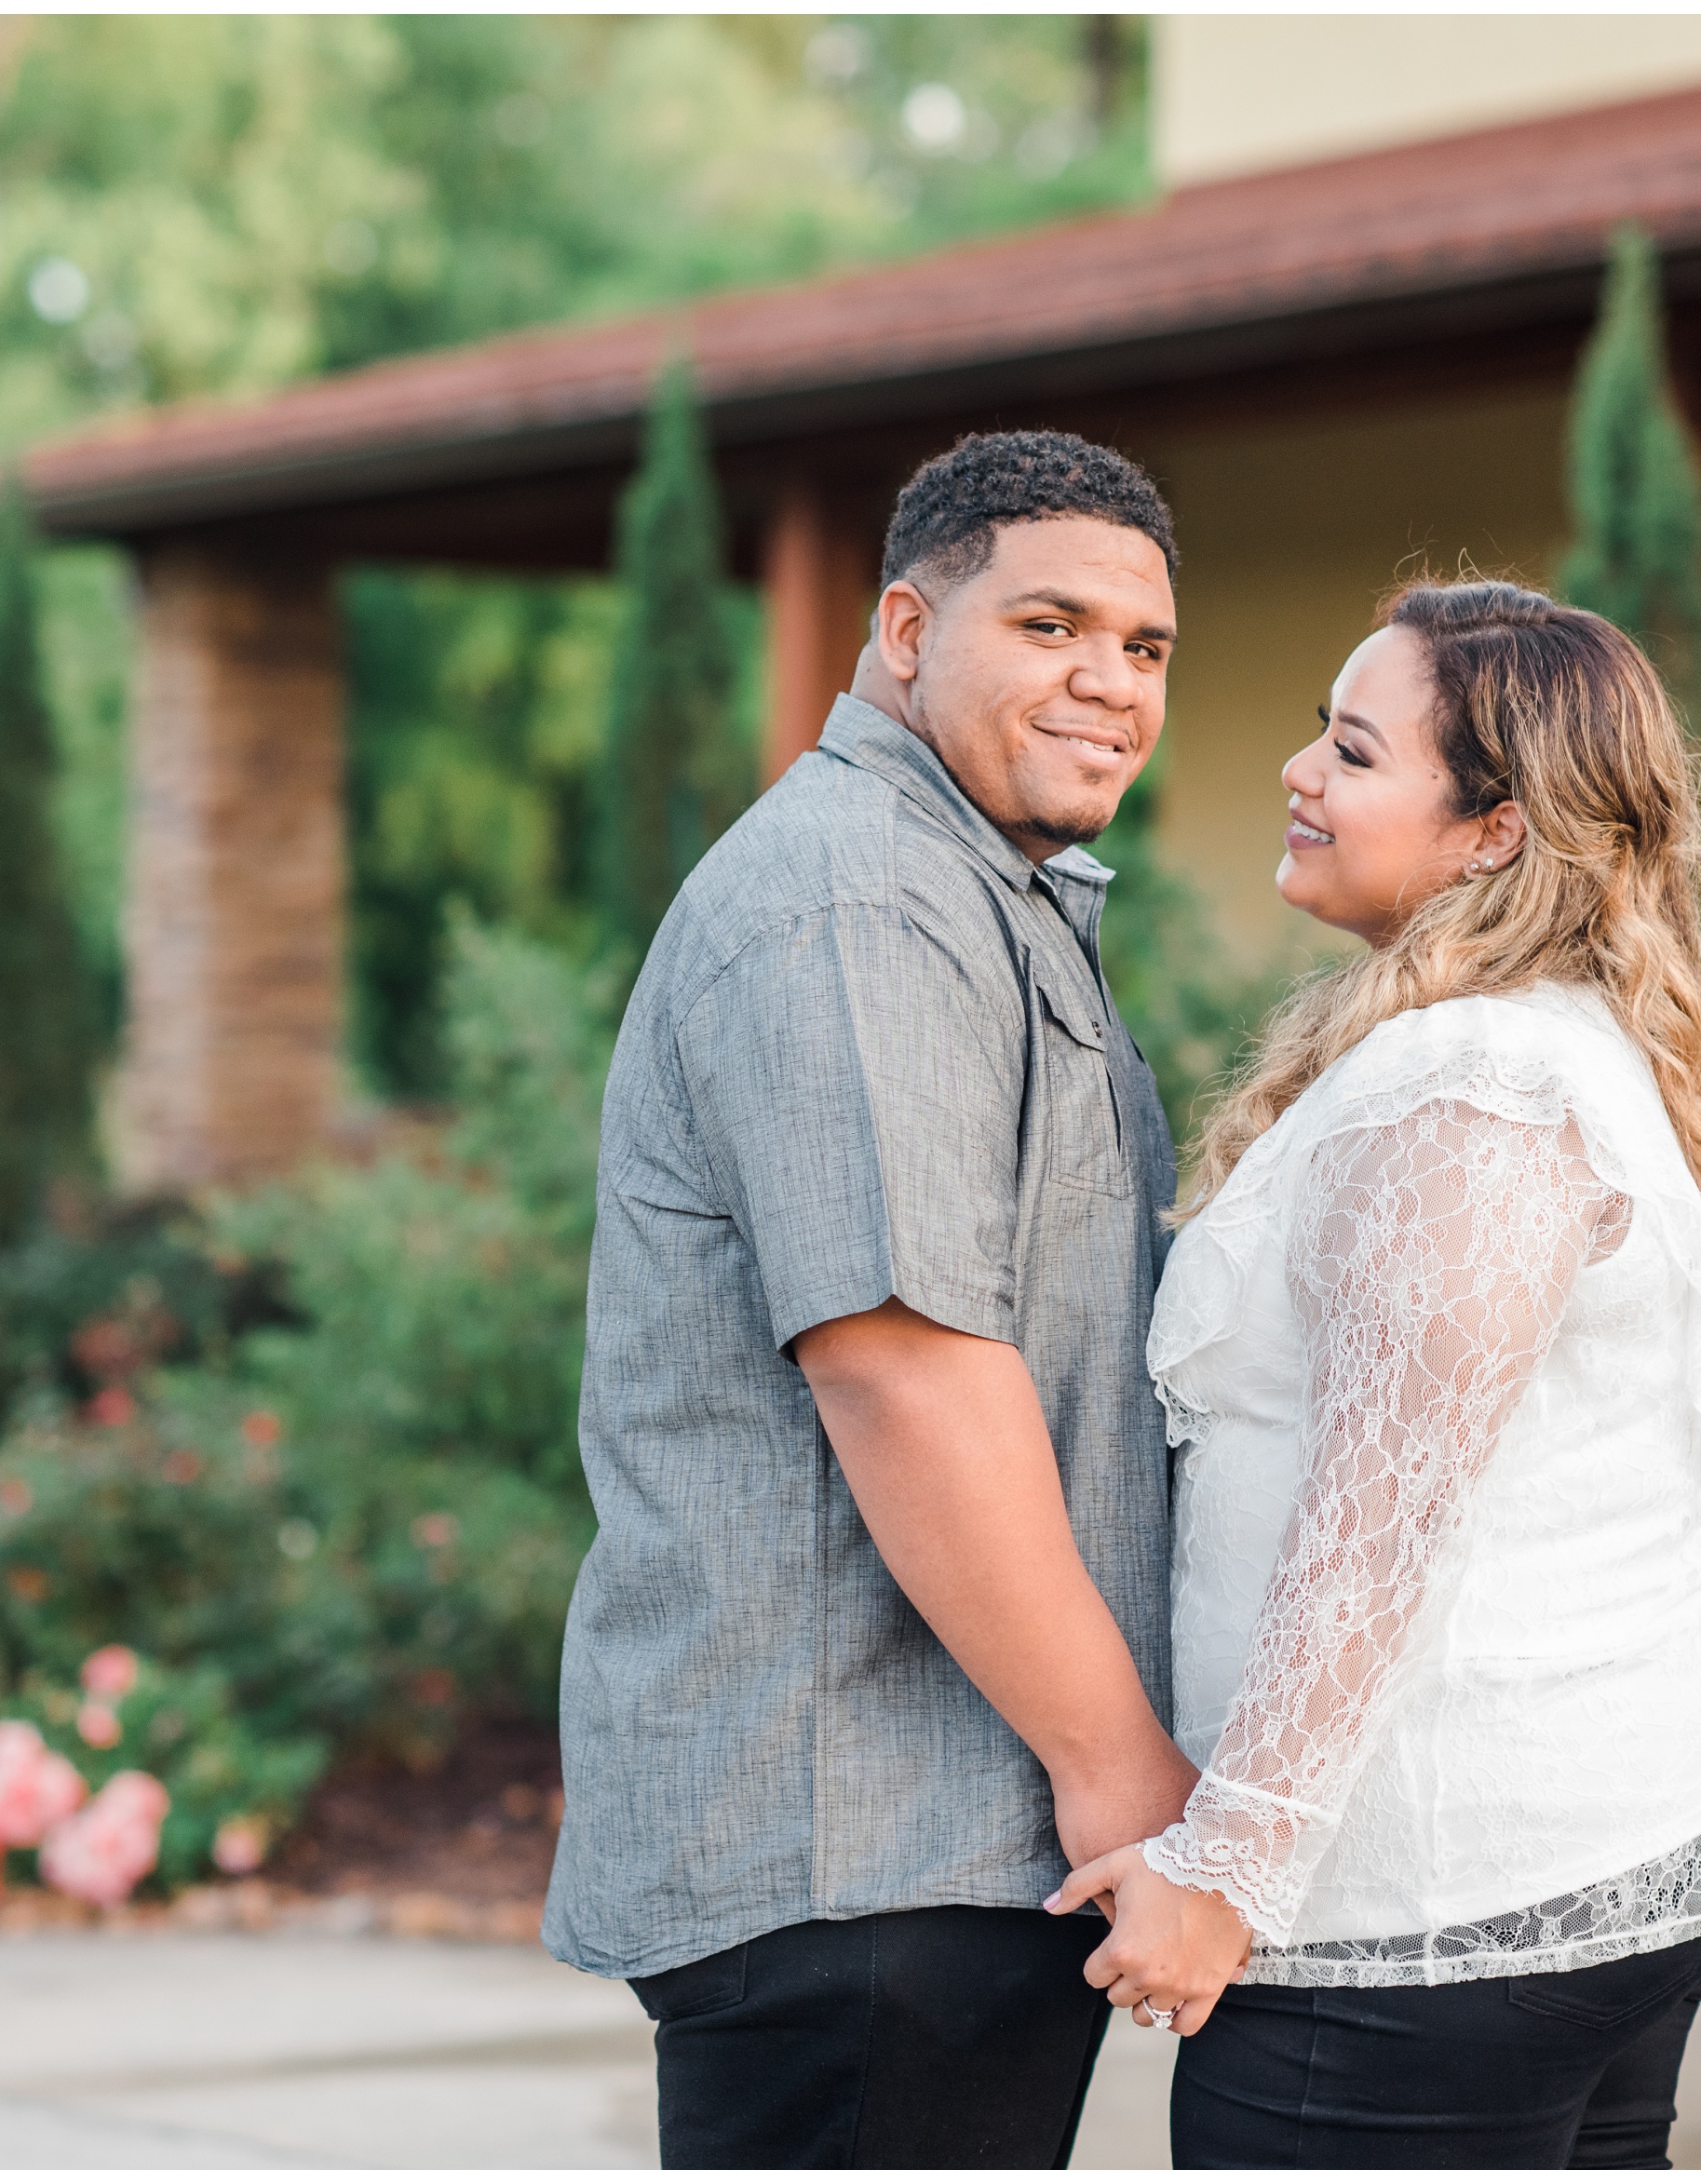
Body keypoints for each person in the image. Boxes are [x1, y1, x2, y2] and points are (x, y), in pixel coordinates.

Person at [1049, 580, 1701, 2168]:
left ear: (1493, 832)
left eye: (1352, 749)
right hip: (1589, 1858)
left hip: (1445, 1911)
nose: (1297, 774)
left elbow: (1381, 1515)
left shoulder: (1475, 1088)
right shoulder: (1525, 1038)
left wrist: (1227, 1867)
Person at [543, 430, 1198, 2167]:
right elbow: (902, 1371)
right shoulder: (858, 901)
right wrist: (1127, 1770)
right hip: (865, 1853)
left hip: (935, 1854)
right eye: (1052, 624)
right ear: (905, 631)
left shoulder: (974, 886)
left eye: (1145, 648)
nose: (1111, 685)